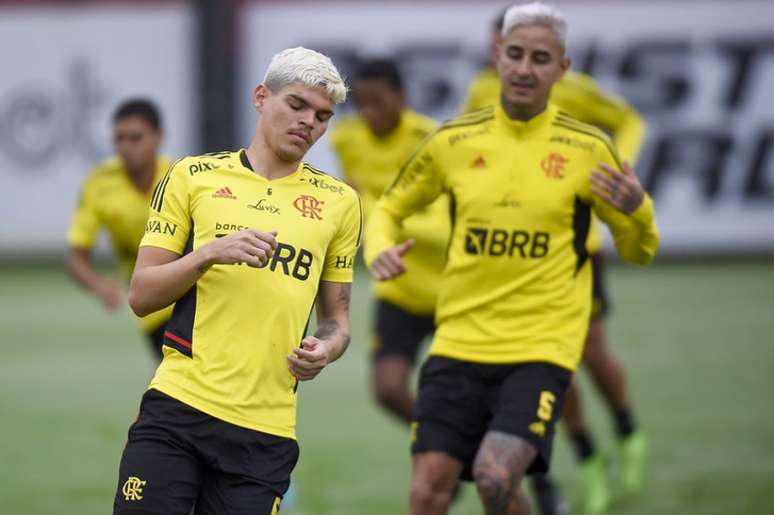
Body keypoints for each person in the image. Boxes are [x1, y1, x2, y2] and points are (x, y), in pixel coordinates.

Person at [366, 3, 659, 515]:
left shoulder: (589, 149)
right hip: (458, 341)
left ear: (562, 69)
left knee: (494, 476)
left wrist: (639, 211)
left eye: (541, 58)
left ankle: (621, 436)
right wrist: (380, 247)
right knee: (426, 492)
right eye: (515, 54)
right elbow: (390, 205)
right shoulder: (455, 141)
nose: (525, 68)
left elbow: (639, 251)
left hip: (539, 347)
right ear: (497, 56)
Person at [112, 47, 361, 515]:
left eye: (323, 115)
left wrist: (325, 349)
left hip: (264, 433)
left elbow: (339, 321)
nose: (310, 121)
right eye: (297, 105)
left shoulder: (340, 202)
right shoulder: (192, 177)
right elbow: (142, 296)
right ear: (261, 97)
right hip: (177, 410)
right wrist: (208, 254)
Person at [461, 9, 648, 514]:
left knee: (590, 352)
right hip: (515, 260)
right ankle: (587, 459)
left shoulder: (575, 89)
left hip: (574, 252)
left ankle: (627, 430)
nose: (515, 60)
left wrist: (617, 165)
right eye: (504, 45)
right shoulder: (480, 94)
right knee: (550, 370)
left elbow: (629, 120)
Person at [330, 58, 445, 423]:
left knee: (481, 394)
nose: (369, 112)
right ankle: (441, 448)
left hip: (449, 289)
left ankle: (543, 476)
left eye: (377, 100)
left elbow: (441, 227)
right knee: (388, 389)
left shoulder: (430, 140)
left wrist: (371, 208)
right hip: (398, 288)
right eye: (361, 102)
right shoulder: (347, 139)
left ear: (401, 96)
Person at [66, 99, 174, 360]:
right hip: (152, 304)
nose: (125, 148)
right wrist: (99, 286)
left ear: (159, 138)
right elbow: (76, 257)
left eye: (135, 138)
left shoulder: (179, 177)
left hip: (193, 293)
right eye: (119, 139)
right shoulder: (100, 183)